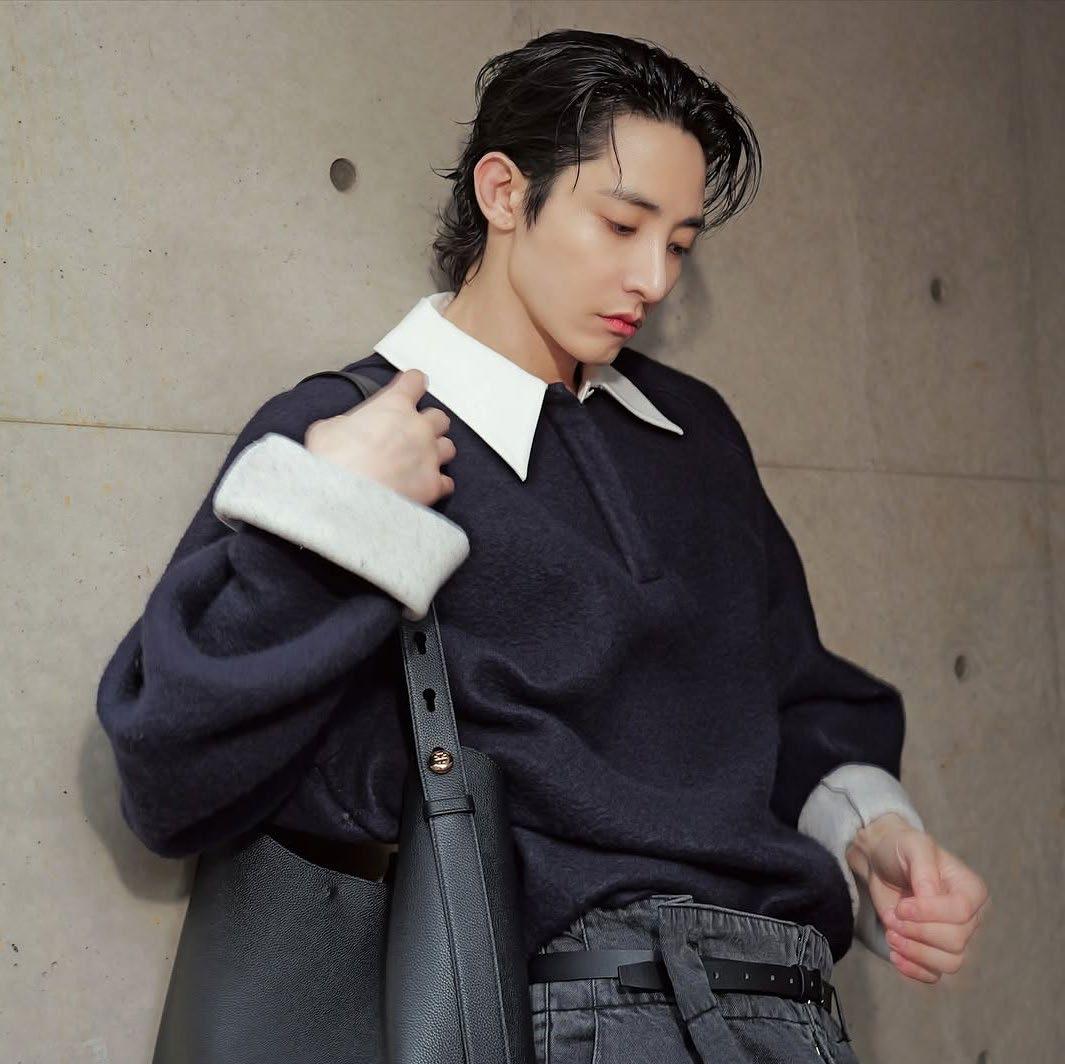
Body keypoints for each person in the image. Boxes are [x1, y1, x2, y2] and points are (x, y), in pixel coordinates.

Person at [96, 28, 990, 1064]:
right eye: (621, 224)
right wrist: (334, 512)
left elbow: (786, 695)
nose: (653, 278)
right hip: (574, 1006)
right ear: (503, 192)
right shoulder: (356, 429)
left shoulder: (694, 436)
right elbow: (171, 773)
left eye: (680, 244)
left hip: (792, 1006)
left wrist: (871, 835)